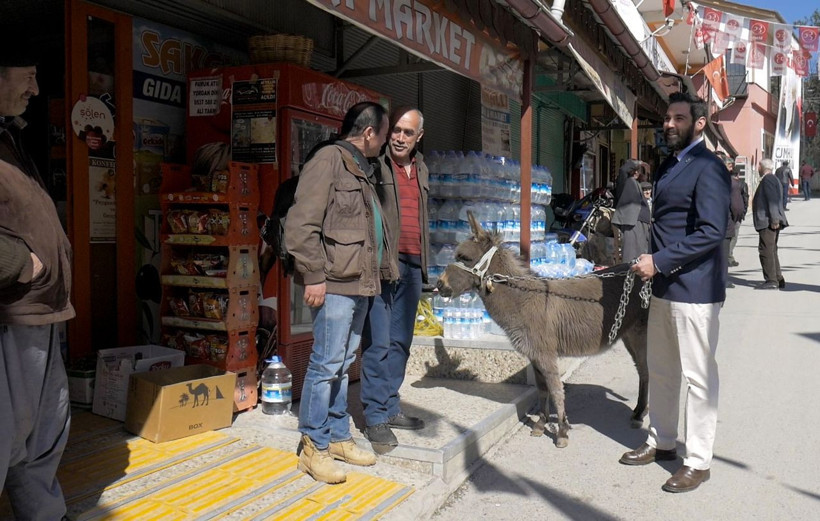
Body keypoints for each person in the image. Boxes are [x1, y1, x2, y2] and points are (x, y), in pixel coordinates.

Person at [623, 91, 730, 494]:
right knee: (664, 369)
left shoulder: (709, 167)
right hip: (665, 285)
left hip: (696, 289)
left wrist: (659, 260)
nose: (669, 124)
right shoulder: (672, 163)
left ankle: (699, 461)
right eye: (667, 117)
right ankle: (662, 441)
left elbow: (710, 232)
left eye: (678, 118)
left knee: (699, 378)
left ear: (699, 123)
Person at [285, 101, 397, 484]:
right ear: (369, 133)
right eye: (384, 135)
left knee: (346, 361)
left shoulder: (361, 168)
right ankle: (312, 447)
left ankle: (336, 436)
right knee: (326, 363)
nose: (385, 143)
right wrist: (313, 274)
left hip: (360, 283)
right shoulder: (328, 161)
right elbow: (301, 224)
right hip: (333, 283)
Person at [1, 38, 75, 520]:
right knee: (8, 431)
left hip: (40, 309)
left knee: (45, 428)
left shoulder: (9, 137)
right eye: (25, 75)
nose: (35, 87)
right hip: (12, 309)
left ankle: (43, 514)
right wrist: (17, 262)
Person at [361, 107, 430, 453]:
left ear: (419, 137)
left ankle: (390, 407)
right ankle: (374, 417)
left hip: (414, 264)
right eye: (397, 131)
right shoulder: (376, 166)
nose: (400, 138)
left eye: (408, 132)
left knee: (401, 341)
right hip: (383, 265)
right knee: (379, 342)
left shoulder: (422, 169)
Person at [751, 158, 788, 290]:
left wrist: (774, 219)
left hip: (768, 221)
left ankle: (771, 280)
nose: (757, 169)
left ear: (762, 166)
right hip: (771, 220)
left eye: (758, 166)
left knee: (766, 250)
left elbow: (772, 201)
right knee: (772, 250)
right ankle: (778, 278)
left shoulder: (768, 180)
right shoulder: (773, 179)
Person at [611, 159, 651, 264]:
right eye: (635, 170)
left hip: (641, 222)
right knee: (631, 255)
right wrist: (639, 163)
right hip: (632, 222)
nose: (637, 172)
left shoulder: (636, 183)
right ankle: (630, 277)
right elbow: (624, 169)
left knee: (642, 252)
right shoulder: (625, 181)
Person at [726, 157, 748, 267]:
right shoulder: (740, 184)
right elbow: (745, 200)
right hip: (736, 214)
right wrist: (743, 213)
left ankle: (728, 256)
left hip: (729, 214)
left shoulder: (725, 183)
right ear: (738, 175)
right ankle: (729, 256)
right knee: (733, 236)